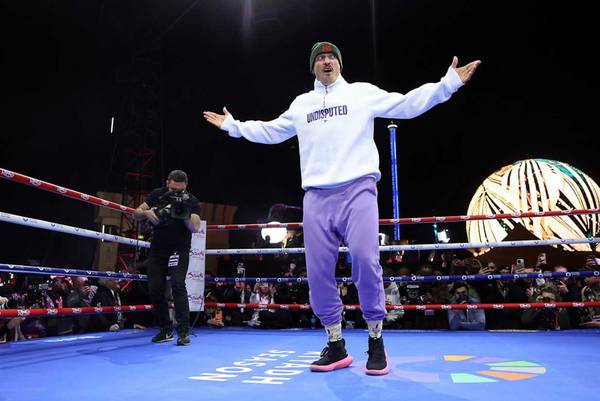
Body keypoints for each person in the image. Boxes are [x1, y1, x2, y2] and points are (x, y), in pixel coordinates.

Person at [204, 41, 480, 375]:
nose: (326, 62)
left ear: (339, 64)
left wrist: (447, 84)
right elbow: (271, 130)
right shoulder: (302, 104)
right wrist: (233, 126)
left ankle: (375, 339)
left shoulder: (361, 93)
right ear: (313, 67)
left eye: (331, 57)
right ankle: (335, 343)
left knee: (365, 259)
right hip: (316, 196)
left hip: (358, 189)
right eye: (320, 58)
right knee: (317, 273)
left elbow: (406, 103)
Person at [134, 169, 201, 345]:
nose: (176, 193)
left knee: (178, 285)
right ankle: (165, 330)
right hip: (158, 249)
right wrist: (146, 213)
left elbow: (195, 228)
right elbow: (135, 213)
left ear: (186, 186)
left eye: (180, 190)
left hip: (179, 249)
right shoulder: (157, 194)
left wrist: (184, 213)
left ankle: (183, 332)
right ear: (167, 183)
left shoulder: (192, 200)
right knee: (155, 288)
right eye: (173, 189)